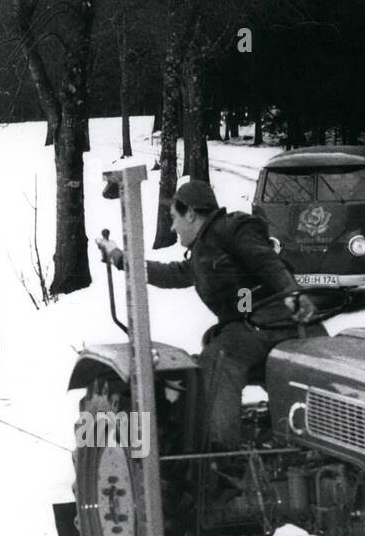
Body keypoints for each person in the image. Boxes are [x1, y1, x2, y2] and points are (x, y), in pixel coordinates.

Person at [96, 179, 318, 454]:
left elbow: (264, 258)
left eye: (174, 218)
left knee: (216, 362)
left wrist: (290, 291)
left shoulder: (232, 228)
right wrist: (119, 257)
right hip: (256, 325)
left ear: (190, 213)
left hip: (273, 321)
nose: (173, 227)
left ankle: (220, 455)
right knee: (219, 348)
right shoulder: (204, 249)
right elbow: (172, 273)